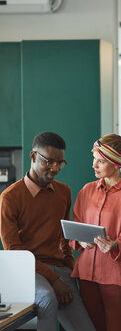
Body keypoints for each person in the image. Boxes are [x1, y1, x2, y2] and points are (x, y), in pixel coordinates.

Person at [0, 131, 95, 331]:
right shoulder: (9, 197)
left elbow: (64, 237)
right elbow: (14, 250)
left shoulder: (64, 192)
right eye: (49, 161)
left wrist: (69, 270)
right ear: (33, 156)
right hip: (28, 269)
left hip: (59, 268)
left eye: (60, 163)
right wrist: (54, 280)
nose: (55, 168)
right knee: (47, 297)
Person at [70, 134, 121, 331]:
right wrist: (80, 241)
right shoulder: (86, 190)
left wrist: (115, 244)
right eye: (94, 159)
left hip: (116, 275)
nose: (94, 165)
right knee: (92, 327)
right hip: (86, 274)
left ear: (116, 163)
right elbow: (76, 225)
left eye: (100, 161)